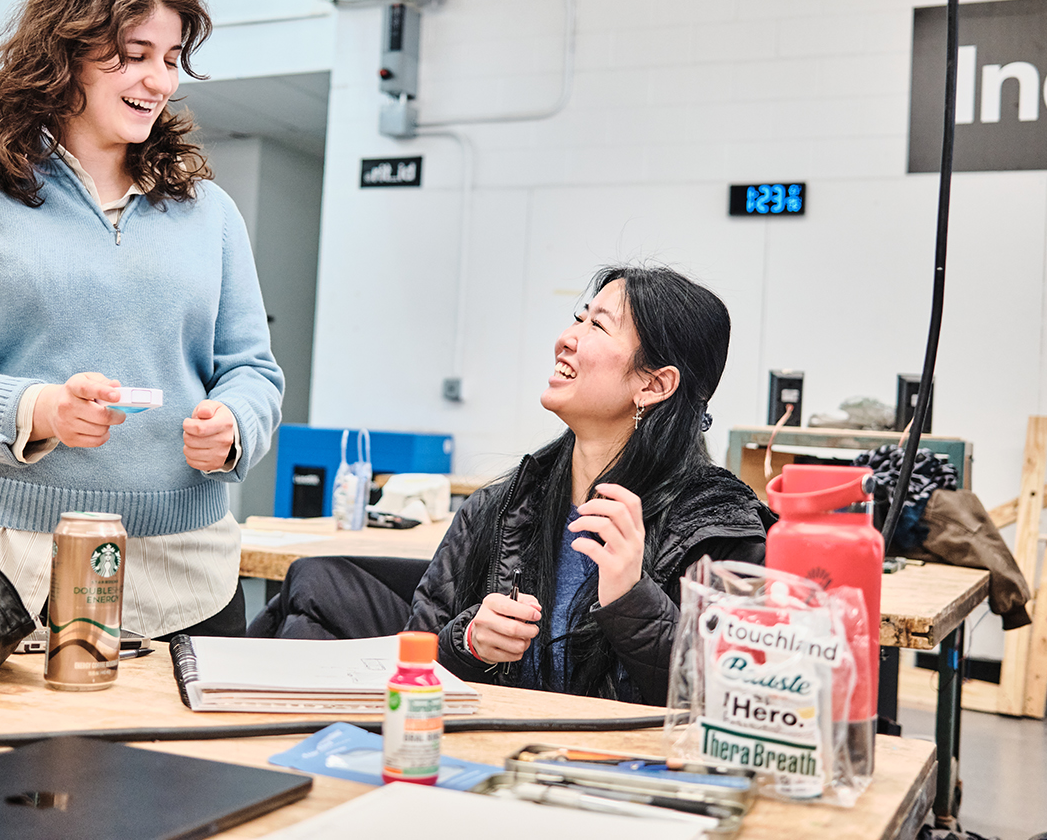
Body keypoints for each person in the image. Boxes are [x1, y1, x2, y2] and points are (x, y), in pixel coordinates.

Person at [0, 0, 284, 640]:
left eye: (171, 58)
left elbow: (253, 369)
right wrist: (41, 409)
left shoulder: (210, 212)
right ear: (64, 53)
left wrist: (235, 426)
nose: (159, 79)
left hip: (182, 571)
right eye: (134, 54)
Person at [250, 265, 772, 705]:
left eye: (599, 326)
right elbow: (420, 656)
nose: (567, 337)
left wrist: (632, 600)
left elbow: (734, 699)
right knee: (314, 586)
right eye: (579, 318)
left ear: (654, 384)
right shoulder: (500, 507)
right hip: (498, 763)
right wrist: (469, 642)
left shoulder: (720, 530)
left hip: (622, 780)